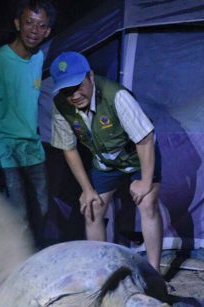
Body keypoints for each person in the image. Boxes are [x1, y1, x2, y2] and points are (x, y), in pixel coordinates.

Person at [49, 51, 163, 272]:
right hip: (105, 161)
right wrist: (87, 189)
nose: (74, 95)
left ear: (90, 76)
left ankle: (154, 272)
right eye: (66, 90)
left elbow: (145, 140)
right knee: (91, 208)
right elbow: (68, 148)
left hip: (137, 157)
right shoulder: (60, 105)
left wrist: (146, 182)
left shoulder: (116, 96)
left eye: (78, 85)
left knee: (148, 203)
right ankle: (98, 272)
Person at [0, 0, 56, 248]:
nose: (34, 30)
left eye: (41, 26)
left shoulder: (40, 57)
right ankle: (13, 269)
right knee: (16, 216)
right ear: (18, 24)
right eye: (29, 22)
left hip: (33, 147)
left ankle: (32, 261)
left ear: (48, 31)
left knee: (41, 210)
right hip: (4, 148)